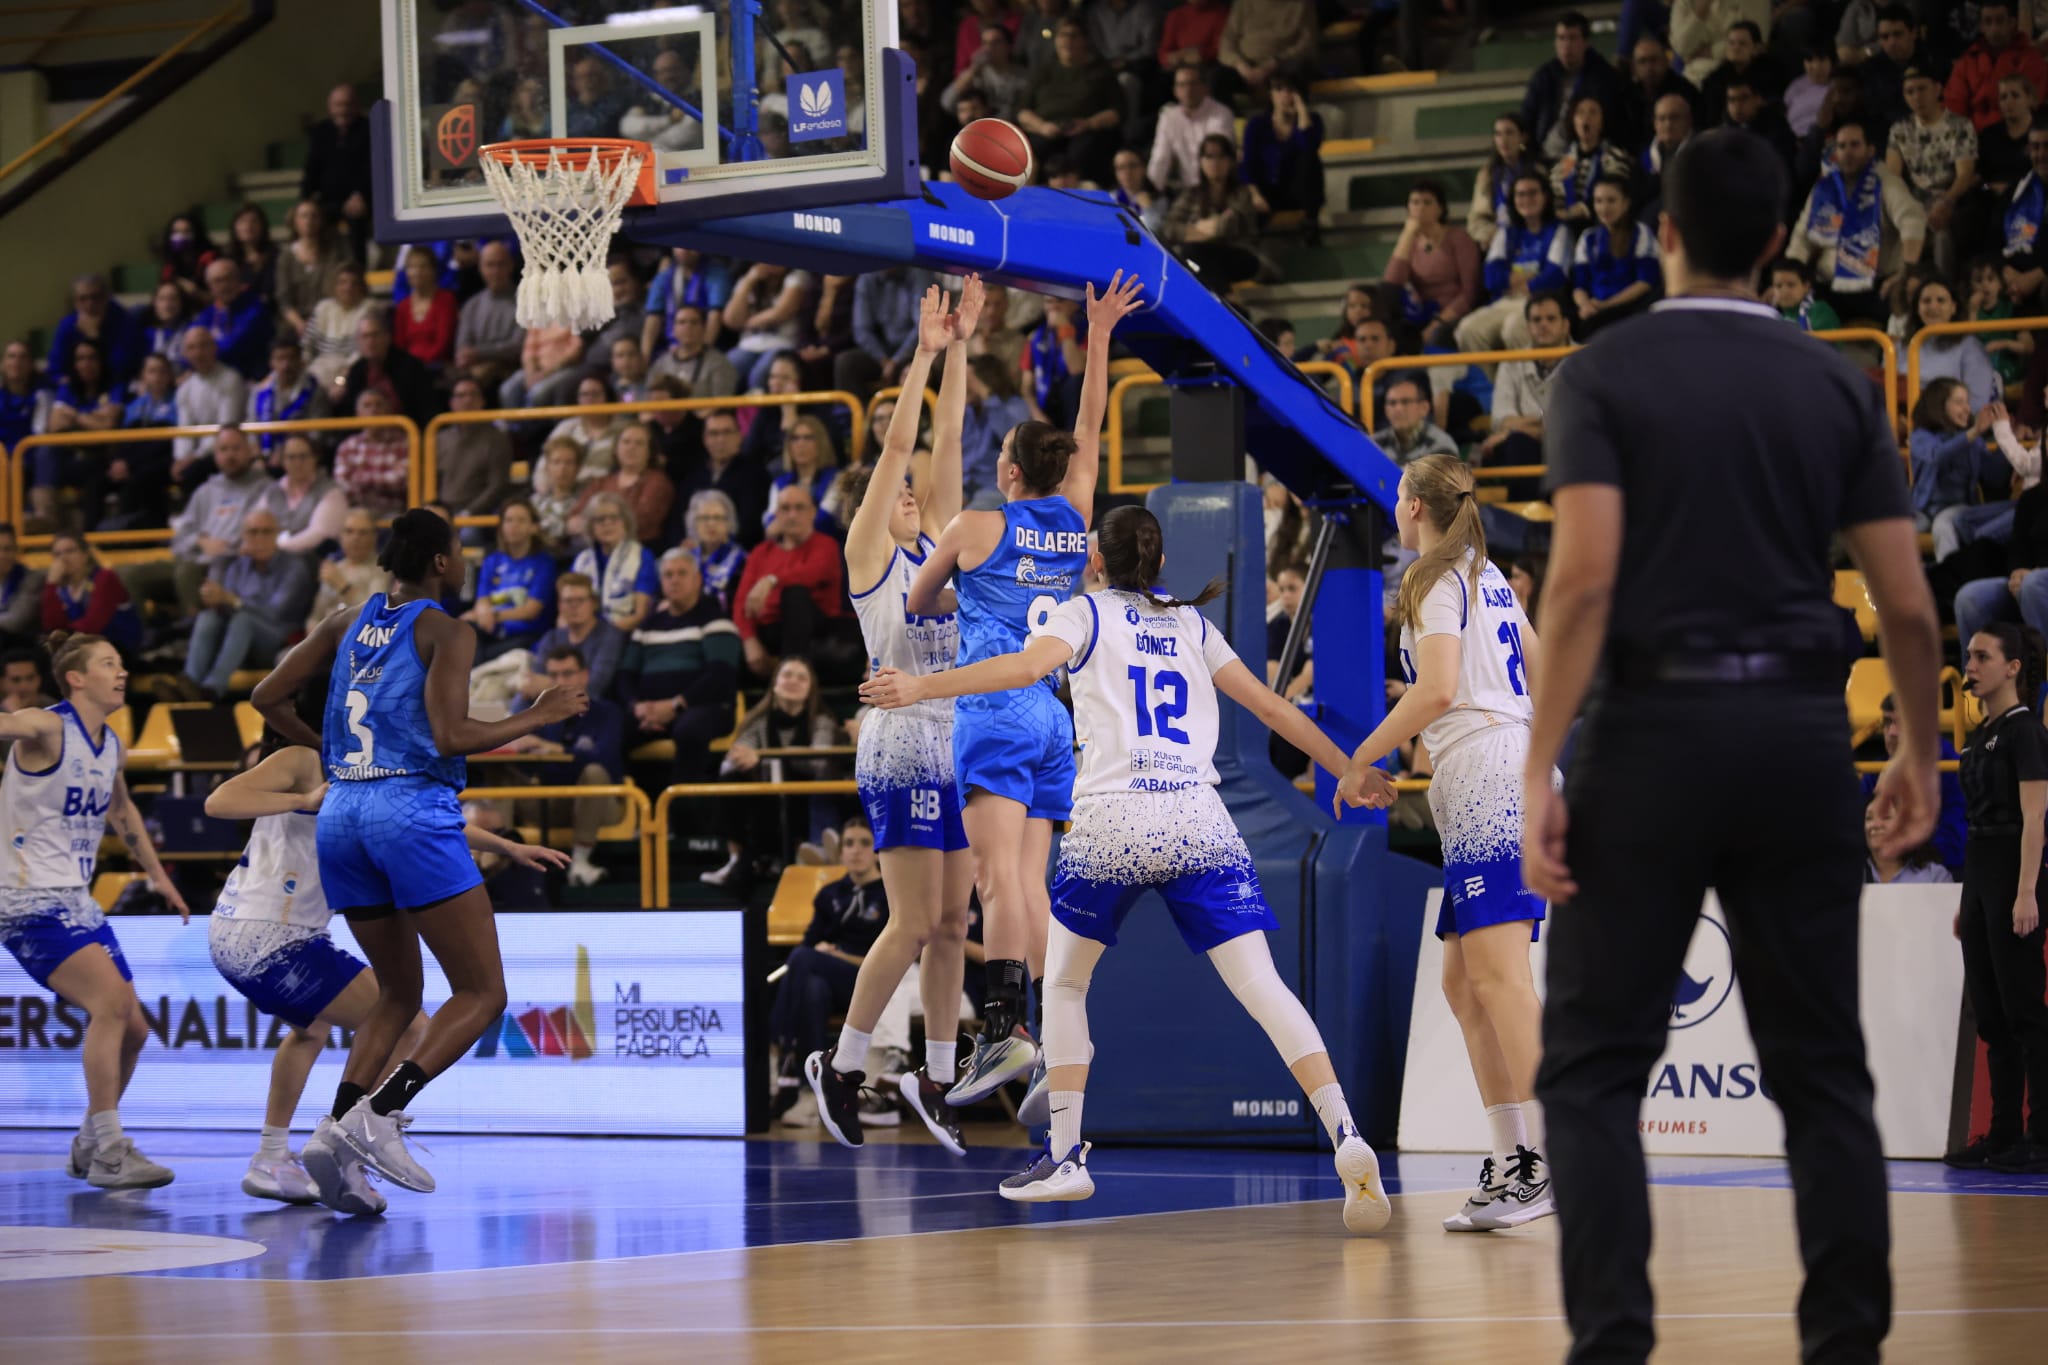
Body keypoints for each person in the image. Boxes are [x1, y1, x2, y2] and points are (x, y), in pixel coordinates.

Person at [1523, 128, 1941, 1362]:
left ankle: (1611, 1344)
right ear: (1776, 245)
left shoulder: (1603, 372)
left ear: (1659, 234)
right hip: (1801, 741)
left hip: (1649, 735)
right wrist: (1916, 750)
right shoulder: (1835, 386)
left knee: (1594, 1069)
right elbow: (1908, 608)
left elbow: (1583, 584)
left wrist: (1543, 763)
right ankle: (1844, 1346)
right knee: (1821, 1074)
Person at [863, 505, 1398, 1229]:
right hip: (1196, 817)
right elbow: (1273, 708)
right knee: (1263, 985)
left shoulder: (1085, 615)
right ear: (1159, 562)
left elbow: (1020, 668)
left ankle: (1065, 1155)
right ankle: (1345, 1131)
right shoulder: (1192, 624)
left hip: (1114, 818)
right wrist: (1348, 767)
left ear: (1096, 560)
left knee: (1065, 980)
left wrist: (920, 687)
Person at [251, 509, 588, 1207]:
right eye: (460, 549)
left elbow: (265, 696)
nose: (464, 559)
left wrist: (331, 752)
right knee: (483, 991)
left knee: (398, 990)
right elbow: (450, 733)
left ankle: (334, 1135)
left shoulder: (345, 620)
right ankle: (381, 1111)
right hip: (408, 809)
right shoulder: (446, 628)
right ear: (439, 561)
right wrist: (539, 713)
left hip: (342, 812)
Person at [901, 271, 1143, 1106]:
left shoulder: (973, 526)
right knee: (1029, 886)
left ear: (1006, 467)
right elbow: (1090, 423)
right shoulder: (1077, 517)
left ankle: (1004, 1032)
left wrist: (957, 592)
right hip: (1053, 719)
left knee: (996, 883)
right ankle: (1055, 1039)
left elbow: (917, 598)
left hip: (994, 710)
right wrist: (1100, 334)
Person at [203, 709, 565, 1209]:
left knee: (311, 1030)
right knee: (414, 1028)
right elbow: (220, 800)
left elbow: (424, 824)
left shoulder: (358, 771)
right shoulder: (304, 758)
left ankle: (270, 1156)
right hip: (273, 937)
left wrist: (504, 845)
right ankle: (351, 1144)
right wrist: (305, 800)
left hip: (239, 933)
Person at [1331, 453, 1557, 1234]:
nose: (1394, 506)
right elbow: (1542, 663)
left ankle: (1560, 1157)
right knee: (1466, 986)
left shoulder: (1433, 576)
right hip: (1500, 768)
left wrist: (1360, 754)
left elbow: (1435, 689)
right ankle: (1516, 1160)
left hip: (1491, 774)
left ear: (1416, 506)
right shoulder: (1486, 573)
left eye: (1398, 495)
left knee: (1501, 983)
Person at [805, 282, 976, 1154]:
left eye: (915, 492)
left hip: (955, 745)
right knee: (910, 921)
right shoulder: (870, 552)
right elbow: (908, 439)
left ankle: (936, 1077)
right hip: (901, 746)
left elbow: (946, 441)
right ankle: (840, 1065)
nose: (912, 491)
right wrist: (920, 353)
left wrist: (964, 344)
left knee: (953, 923)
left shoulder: (940, 539)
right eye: (898, 489)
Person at [0, 632, 189, 1189]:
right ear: (77, 678)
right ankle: (111, 1148)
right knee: (110, 1003)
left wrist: (158, 876)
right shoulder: (45, 725)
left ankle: (87, 1142)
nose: (123, 671)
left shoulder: (110, 745)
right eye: (110, 663)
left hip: (77, 903)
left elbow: (123, 810)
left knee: (134, 1027)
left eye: (123, 662)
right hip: (26, 900)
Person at [1948, 624, 2048, 1174]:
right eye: (1968, 655)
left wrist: (2026, 891)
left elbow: (2035, 816)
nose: (1971, 663)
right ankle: (2005, 1133)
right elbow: (1977, 824)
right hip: (1983, 874)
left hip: (2016, 870)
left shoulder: (2024, 731)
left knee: (2024, 1009)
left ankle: (2043, 1132)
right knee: (1990, 1013)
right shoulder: (1976, 734)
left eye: (1983, 656)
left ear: (2012, 668)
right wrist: (1972, 897)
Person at [772, 816, 894, 1117]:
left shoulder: (889, 893)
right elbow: (810, 943)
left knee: (802, 959)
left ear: (877, 850)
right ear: (840, 853)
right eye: (849, 844)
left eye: (864, 843)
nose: (856, 851)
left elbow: (886, 959)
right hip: (829, 982)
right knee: (812, 990)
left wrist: (834, 956)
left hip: (869, 982)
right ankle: (812, 1088)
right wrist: (823, 956)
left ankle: (783, 1047)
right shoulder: (830, 894)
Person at [703, 655, 843, 886]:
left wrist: (764, 758)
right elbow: (735, 757)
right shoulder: (757, 721)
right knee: (731, 776)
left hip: (805, 797)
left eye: (801, 678)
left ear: (810, 689)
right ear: (775, 683)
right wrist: (749, 758)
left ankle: (806, 851)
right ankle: (737, 858)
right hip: (767, 799)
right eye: (787, 675)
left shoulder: (821, 721)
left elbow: (818, 762)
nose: (793, 681)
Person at [501, 646, 626, 889]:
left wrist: (552, 748)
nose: (560, 682)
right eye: (553, 676)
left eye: (567, 674)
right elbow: (525, 766)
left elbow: (603, 758)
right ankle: (497, 862)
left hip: (602, 802)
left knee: (594, 773)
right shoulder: (541, 716)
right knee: (501, 772)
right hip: (552, 799)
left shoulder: (608, 712)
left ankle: (580, 862)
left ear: (585, 676)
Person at [1786, 116, 1929, 324]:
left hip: (1876, 288)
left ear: (1870, 150)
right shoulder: (1824, 188)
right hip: (1828, 287)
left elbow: (1912, 220)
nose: (1848, 152)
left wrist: (1906, 272)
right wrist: (1788, 278)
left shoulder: (1886, 182)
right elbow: (1802, 236)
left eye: (1855, 145)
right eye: (1842, 146)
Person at [619, 547, 742, 782]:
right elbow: (625, 675)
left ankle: (684, 812)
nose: (674, 580)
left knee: (689, 730)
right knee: (611, 727)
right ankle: (624, 808)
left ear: (697, 580)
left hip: (706, 707)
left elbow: (720, 677)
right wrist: (637, 707)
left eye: (682, 574)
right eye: (668, 575)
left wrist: (675, 705)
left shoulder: (716, 620)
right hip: (650, 710)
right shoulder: (647, 626)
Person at [183, 506, 314, 701]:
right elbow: (227, 608)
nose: (259, 538)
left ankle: (212, 688)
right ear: (243, 535)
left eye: (266, 531)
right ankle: (190, 683)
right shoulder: (237, 566)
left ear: (277, 534)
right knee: (208, 617)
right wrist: (215, 600)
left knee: (243, 619)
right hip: (237, 640)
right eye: (253, 532)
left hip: (276, 640)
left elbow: (275, 613)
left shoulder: (294, 567)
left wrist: (232, 600)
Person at [1458, 172, 1574, 355]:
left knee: (1514, 329)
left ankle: (1529, 383)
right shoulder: (1506, 232)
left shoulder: (1559, 230)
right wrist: (1532, 275)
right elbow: (1491, 278)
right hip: (1505, 300)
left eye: (1532, 193)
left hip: (1539, 302)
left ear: (1545, 196)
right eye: (1520, 194)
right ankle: (1493, 384)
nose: (1526, 199)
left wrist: (1521, 284)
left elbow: (1555, 275)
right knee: (1468, 330)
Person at [1383, 179, 1481, 347]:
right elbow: (1391, 285)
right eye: (1414, 202)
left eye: (1427, 202)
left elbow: (1469, 293)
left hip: (1453, 313)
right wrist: (1407, 234)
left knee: (1438, 335)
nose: (1420, 208)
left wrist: (1438, 322)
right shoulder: (1410, 241)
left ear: (1440, 209)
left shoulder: (1458, 238)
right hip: (1421, 313)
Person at [1522, 12, 1624, 159]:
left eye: (1572, 38)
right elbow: (1526, 121)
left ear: (1586, 42)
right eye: (1561, 38)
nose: (1566, 45)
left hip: (1589, 156)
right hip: (1545, 156)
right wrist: (1523, 151)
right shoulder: (1543, 77)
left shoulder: (1604, 77)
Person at [467, 498, 556, 662]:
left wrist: (492, 614)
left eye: (521, 520)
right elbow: (482, 601)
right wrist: (482, 613)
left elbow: (530, 611)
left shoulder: (543, 563)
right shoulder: (492, 560)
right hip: (490, 631)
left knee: (474, 652)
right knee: (463, 629)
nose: (513, 526)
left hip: (525, 634)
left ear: (534, 527)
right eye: (508, 520)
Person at [1570, 177, 1661, 336]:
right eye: (1599, 201)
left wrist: (1606, 305)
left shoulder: (1641, 233)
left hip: (1632, 310)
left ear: (1625, 203)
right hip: (1595, 312)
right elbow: (1579, 285)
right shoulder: (1587, 237)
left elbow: (1645, 282)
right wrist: (1585, 306)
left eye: (1611, 200)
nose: (1604, 207)